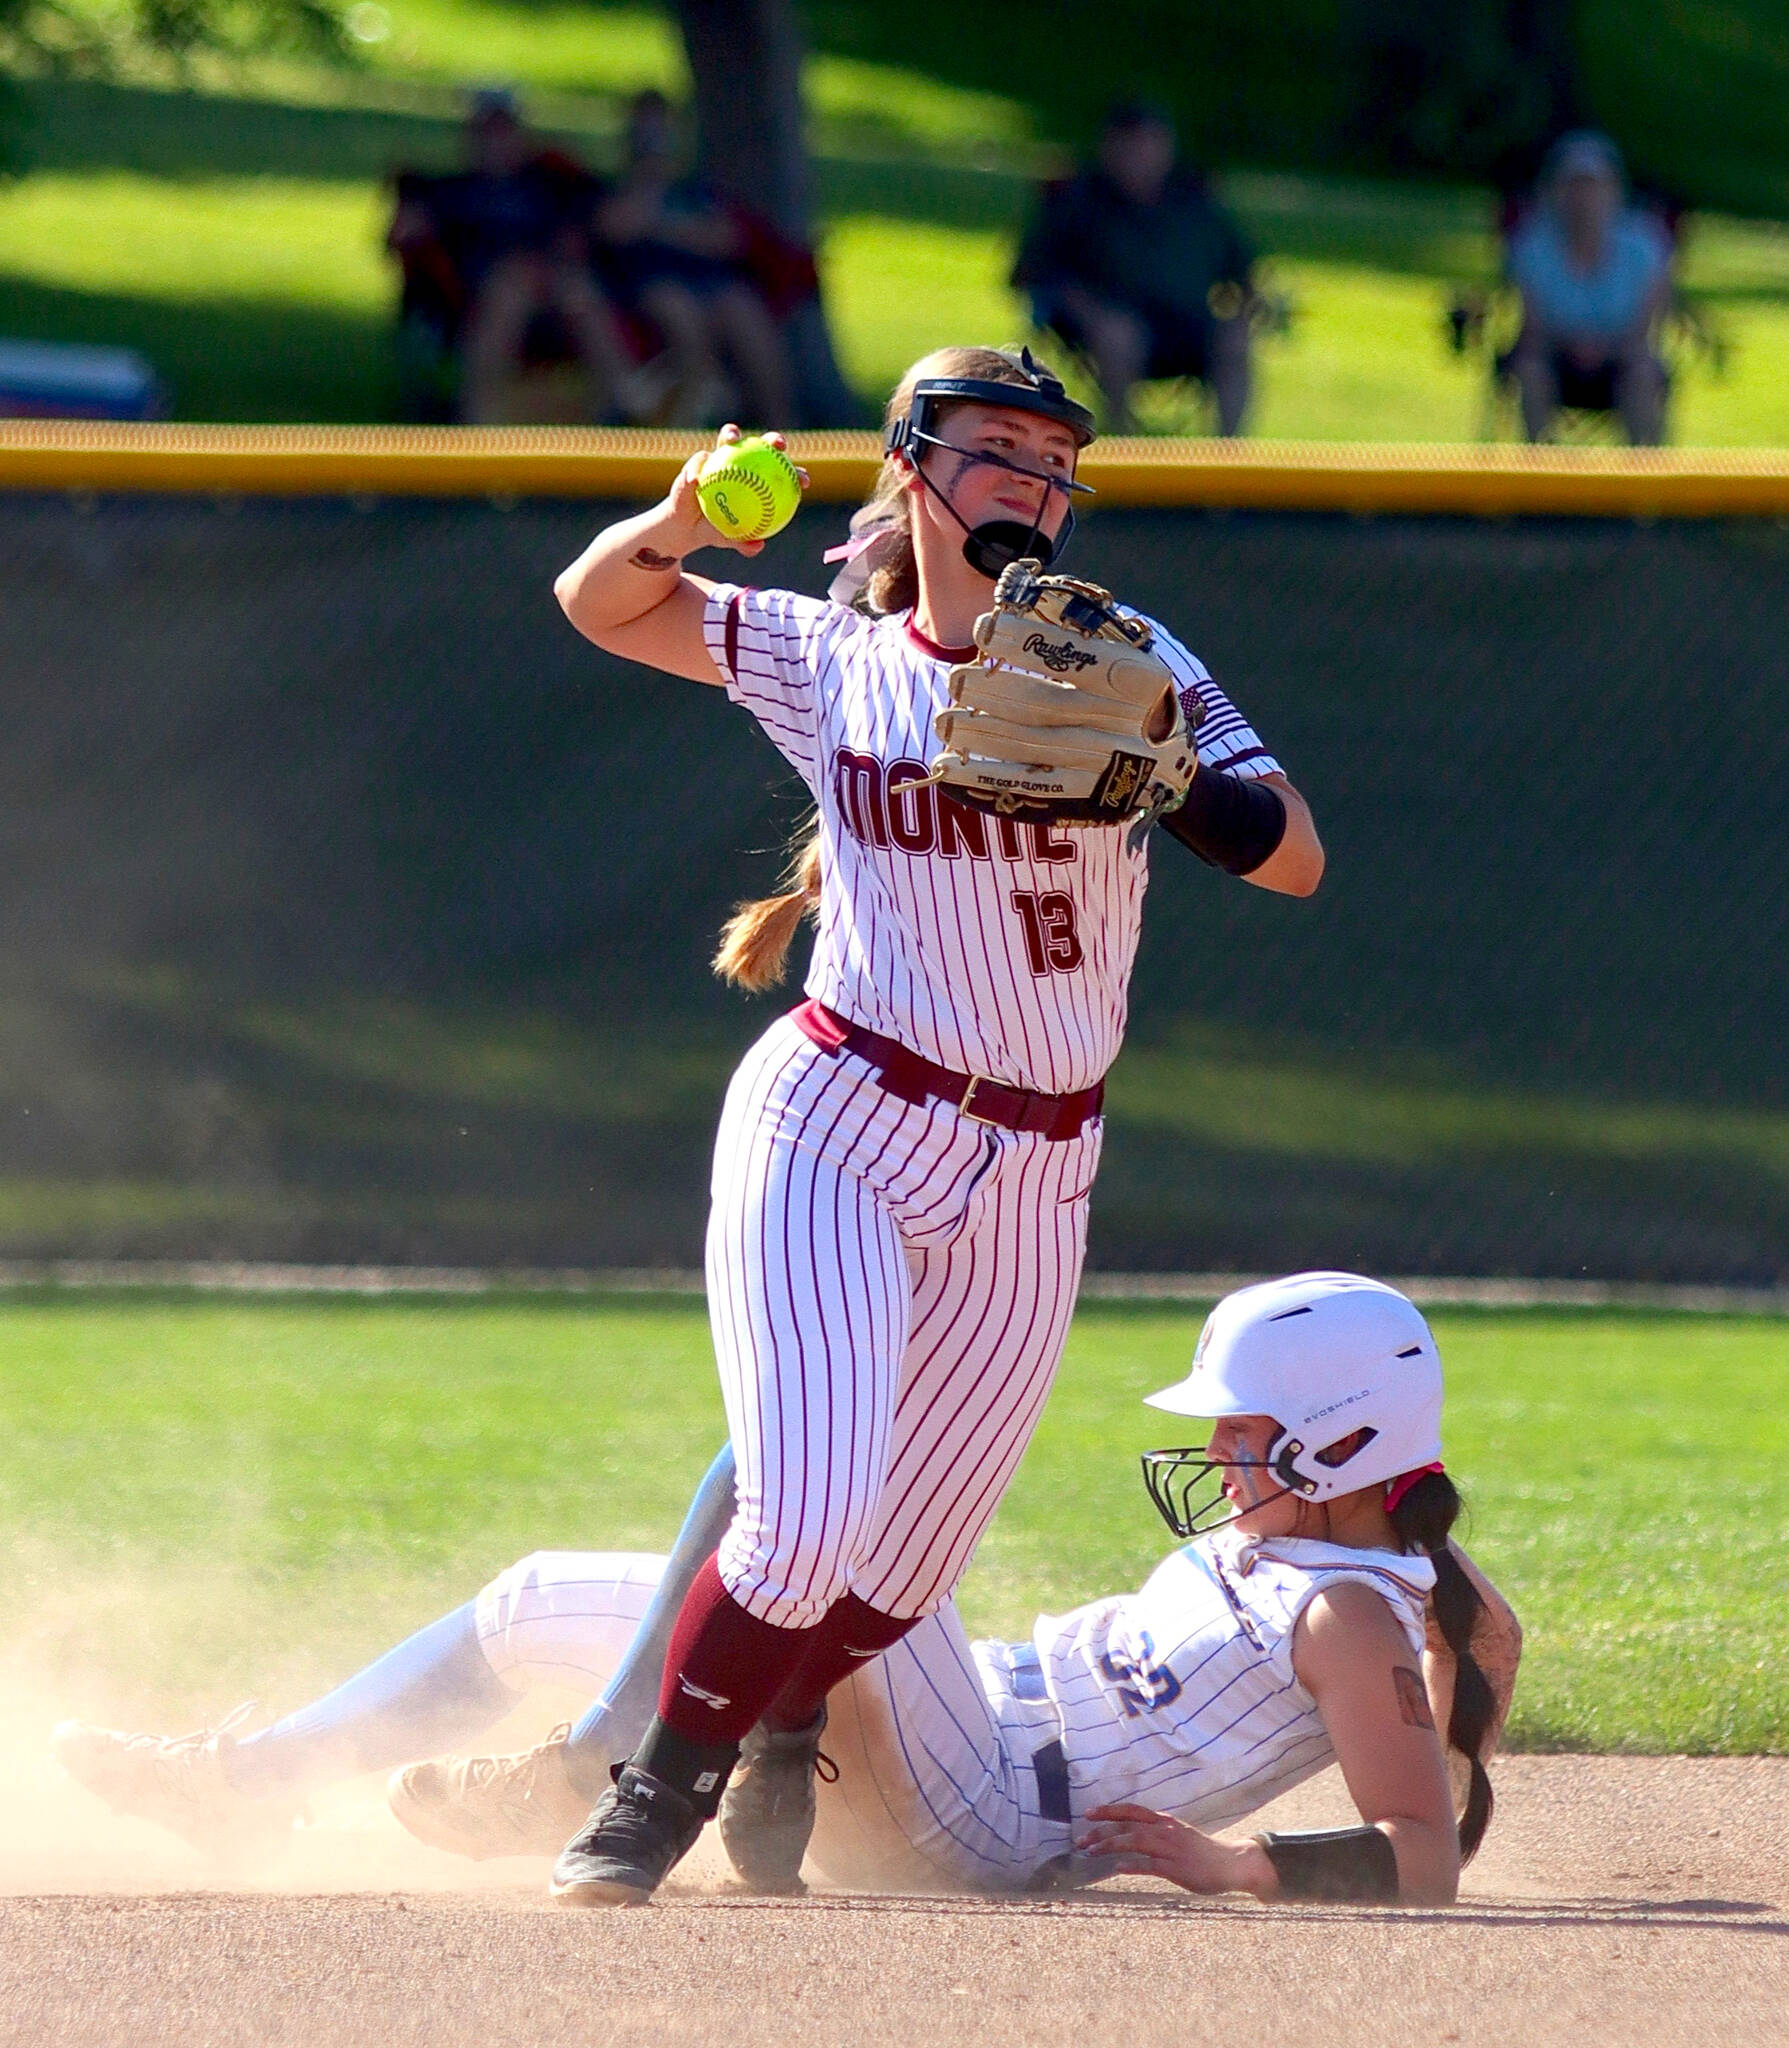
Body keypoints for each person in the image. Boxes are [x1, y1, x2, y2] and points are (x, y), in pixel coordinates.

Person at [536, 345, 1321, 1904]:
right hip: (844, 1110)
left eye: (1052, 454)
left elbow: (1292, 854)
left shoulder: (1138, 654)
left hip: (1039, 1163)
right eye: (992, 446)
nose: (1029, 476)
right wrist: (683, 518)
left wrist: (1163, 775)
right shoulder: (831, 656)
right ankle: (655, 1794)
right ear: (913, 466)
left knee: (896, 1579)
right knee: (805, 1516)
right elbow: (600, 604)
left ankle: (785, 1718)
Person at [53, 1275, 1520, 1905]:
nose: (1212, 1444)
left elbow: (1425, 1853)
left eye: (1244, 1426)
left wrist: (1242, 1867)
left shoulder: (1343, 1614)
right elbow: (1481, 1642)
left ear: (1345, 1445)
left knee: (818, 1475)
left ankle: (606, 1769)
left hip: (996, 1813)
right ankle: (252, 1779)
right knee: (535, 1596)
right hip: (954, 1734)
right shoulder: (1337, 1568)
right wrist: (1471, 1644)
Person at [385, 89, 640, 426]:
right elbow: (398, 239)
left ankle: (627, 407)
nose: (495, 141)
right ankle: (476, 417)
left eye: (503, 131)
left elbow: (596, 225)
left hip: (553, 291)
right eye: (485, 132)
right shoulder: (448, 192)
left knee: (578, 290)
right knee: (511, 290)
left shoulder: (546, 186)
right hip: (476, 300)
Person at [1013, 105, 1257, 435]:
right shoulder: (1076, 198)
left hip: (1187, 326)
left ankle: (1227, 454)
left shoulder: (1192, 199)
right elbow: (1033, 271)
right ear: (1108, 146)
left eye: (1152, 144)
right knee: (1119, 335)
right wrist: (1089, 313)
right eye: (1131, 145)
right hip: (1102, 327)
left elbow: (1242, 268)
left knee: (1234, 335)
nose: (1142, 156)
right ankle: (1122, 437)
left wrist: (1250, 307)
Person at [593, 90, 796, 429]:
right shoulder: (620, 185)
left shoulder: (697, 187)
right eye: (645, 133)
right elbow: (615, 228)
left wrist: (660, 224)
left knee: (743, 308)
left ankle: (784, 425)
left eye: (661, 132)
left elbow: (726, 239)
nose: (654, 142)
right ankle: (700, 412)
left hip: (710, 282)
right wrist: (655, 196)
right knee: (677, 307)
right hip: (649, 284)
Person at [1504, 130, 1673, 445]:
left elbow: (1646, 330)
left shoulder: (1644, 248)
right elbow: (1531, 328)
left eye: (1593, 187)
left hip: (1620, 362)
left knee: (1644, 373)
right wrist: (1573, 347)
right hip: (1555, 360)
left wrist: (1604, 350)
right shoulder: (1532, 247)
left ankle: (1643, 481)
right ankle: (1542, 475)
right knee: (1529, 369)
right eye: (1573, 186)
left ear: (1615, 191)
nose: (1583, 198)